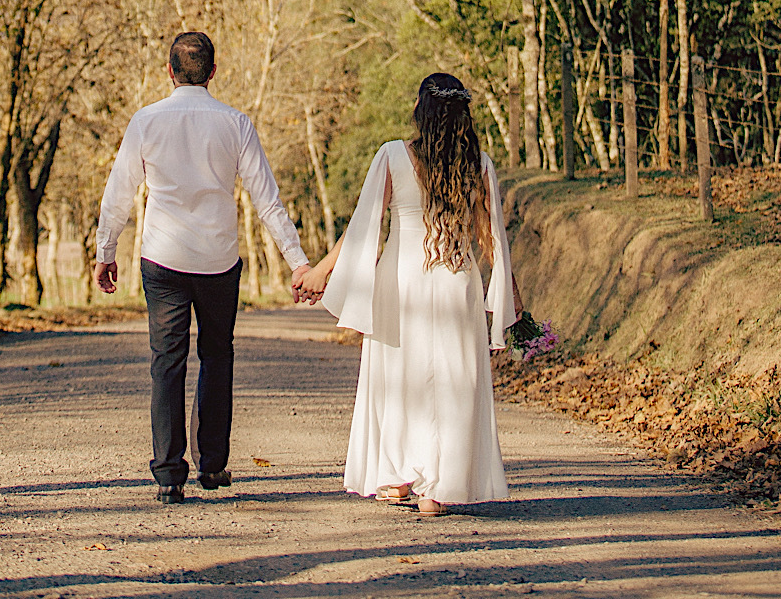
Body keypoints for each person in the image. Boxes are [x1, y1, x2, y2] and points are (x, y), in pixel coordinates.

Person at [95, 30, 312, 504]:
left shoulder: (146, 121)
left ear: (169, 71)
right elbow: (267, 201)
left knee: (165, 362)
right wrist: (297, 262)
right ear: (213, 72)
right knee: (217, 356)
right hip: (218, 261)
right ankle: (212, 466)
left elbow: (119, 193)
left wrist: (105, 251)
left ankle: (169, 474)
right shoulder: (235, 123)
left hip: (164, 260)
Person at [294, 72, 522, 515]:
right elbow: (492, 235)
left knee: (398, 379)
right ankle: (436, 488)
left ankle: (399, 476)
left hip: (401, 281)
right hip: (457, 279)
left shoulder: (393, 155)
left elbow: (365, 225)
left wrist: (322, 270)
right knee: (454, 382)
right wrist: (511, 293)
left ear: (420, 109)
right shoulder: (479, 162)